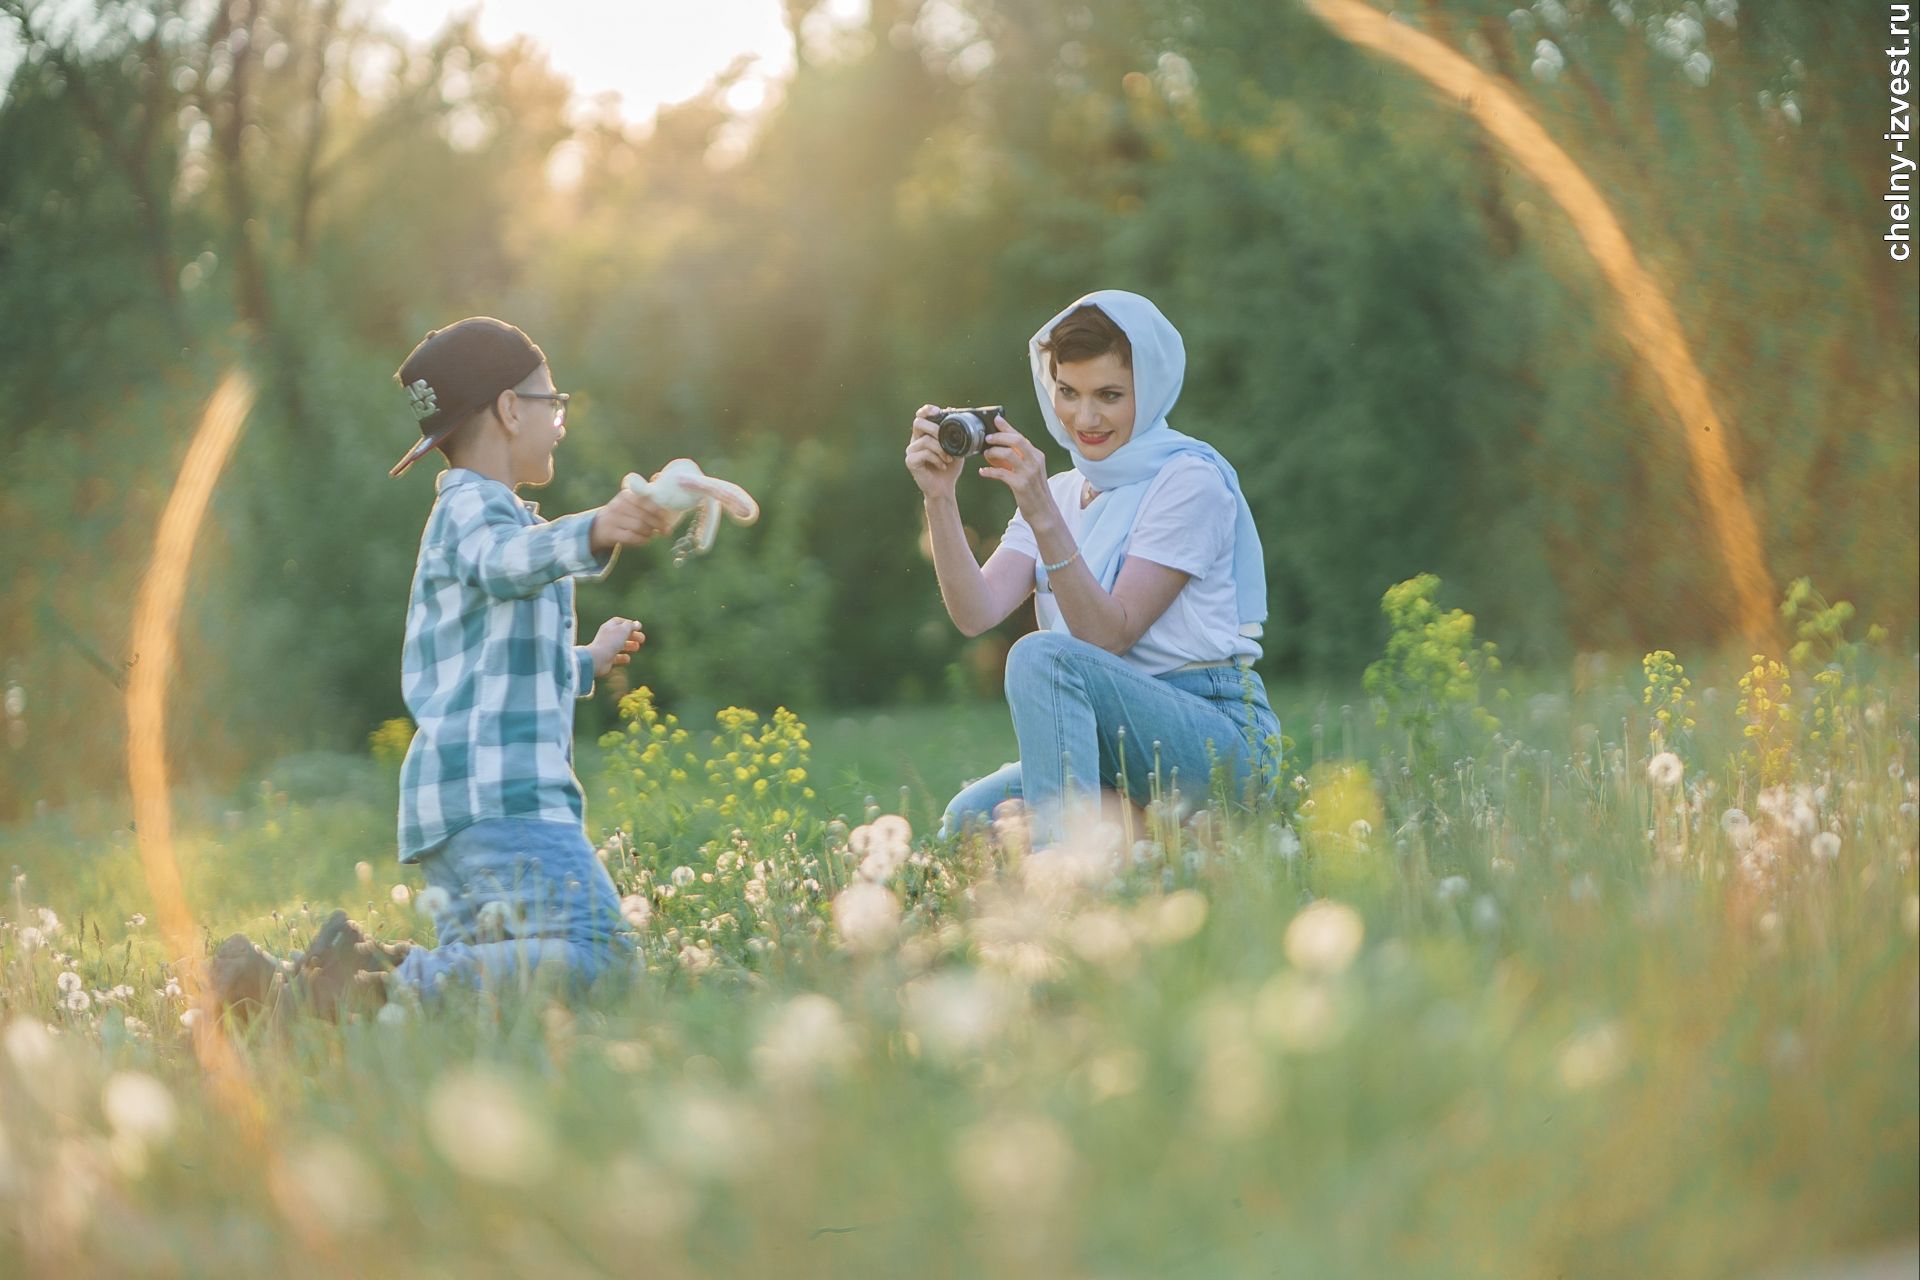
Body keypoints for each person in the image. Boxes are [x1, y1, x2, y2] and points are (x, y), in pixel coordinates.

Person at [212, 316, 678, 1020]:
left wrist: (586, 660)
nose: (560, 420)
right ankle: (367, 986)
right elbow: (503, 565)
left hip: (461, 809)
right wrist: (595, 527)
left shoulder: (493, 516)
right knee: (601, 957)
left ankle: (320, 979)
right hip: (505, 804)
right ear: (509, 408)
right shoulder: (473, 512)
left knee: (486, 994)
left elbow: (493, 667)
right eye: (553, 402)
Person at [906, 290, 1281, 848]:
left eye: (1110, 395)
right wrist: (940, 498)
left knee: (1040, 652)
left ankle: (1069, 875)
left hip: (1212, 736)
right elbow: (974, 612)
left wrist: (1039, 511)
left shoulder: (1188, 480)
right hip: (1114, 745)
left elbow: (1109, 634)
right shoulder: (1057, 490)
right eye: (1067, 392)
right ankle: (1157, 835)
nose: (1085, 418)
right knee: (969, 822)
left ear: (1148, 390)